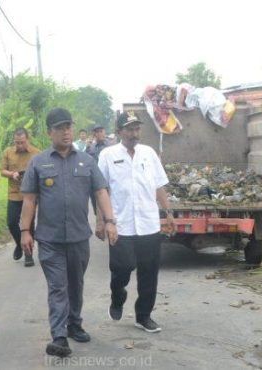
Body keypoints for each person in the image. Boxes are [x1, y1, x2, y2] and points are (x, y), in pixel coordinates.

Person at [20, 108, 118, 358]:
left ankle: (74, 324)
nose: (66, 131)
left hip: (78, 238)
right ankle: (59, 336)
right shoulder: (39, 162)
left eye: (69, 127)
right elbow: (29, 200)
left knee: (76, 284)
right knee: (58, 287)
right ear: (49, 132)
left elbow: (100, 192)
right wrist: (24, 231)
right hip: (50, 239)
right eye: (60, 127)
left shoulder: (86, 161)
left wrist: (108, 221)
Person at [97, 111, 175, 333]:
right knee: (122, 267)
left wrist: (168, 212)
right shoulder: (107, 155)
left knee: (149, 272)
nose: (134, 133)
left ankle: (144, 316)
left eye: (137, 129)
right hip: (120, 224)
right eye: (129, 129)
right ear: (120, 131)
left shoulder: (148, 154)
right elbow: (100, 190)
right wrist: (101, 221)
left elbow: (158, 185)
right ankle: (118, 294)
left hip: (149, 223)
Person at [0, 128, 39, 266]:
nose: (20, 145)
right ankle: (18, 243)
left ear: (27, 139)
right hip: (14, 193)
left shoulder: (36, 153)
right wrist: (12, 174)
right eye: (17, 142)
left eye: (22, 142)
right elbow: (2, 171)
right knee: (11, 222)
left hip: (30, 195)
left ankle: (29, 254)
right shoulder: (8, 152)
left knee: (29, 224)